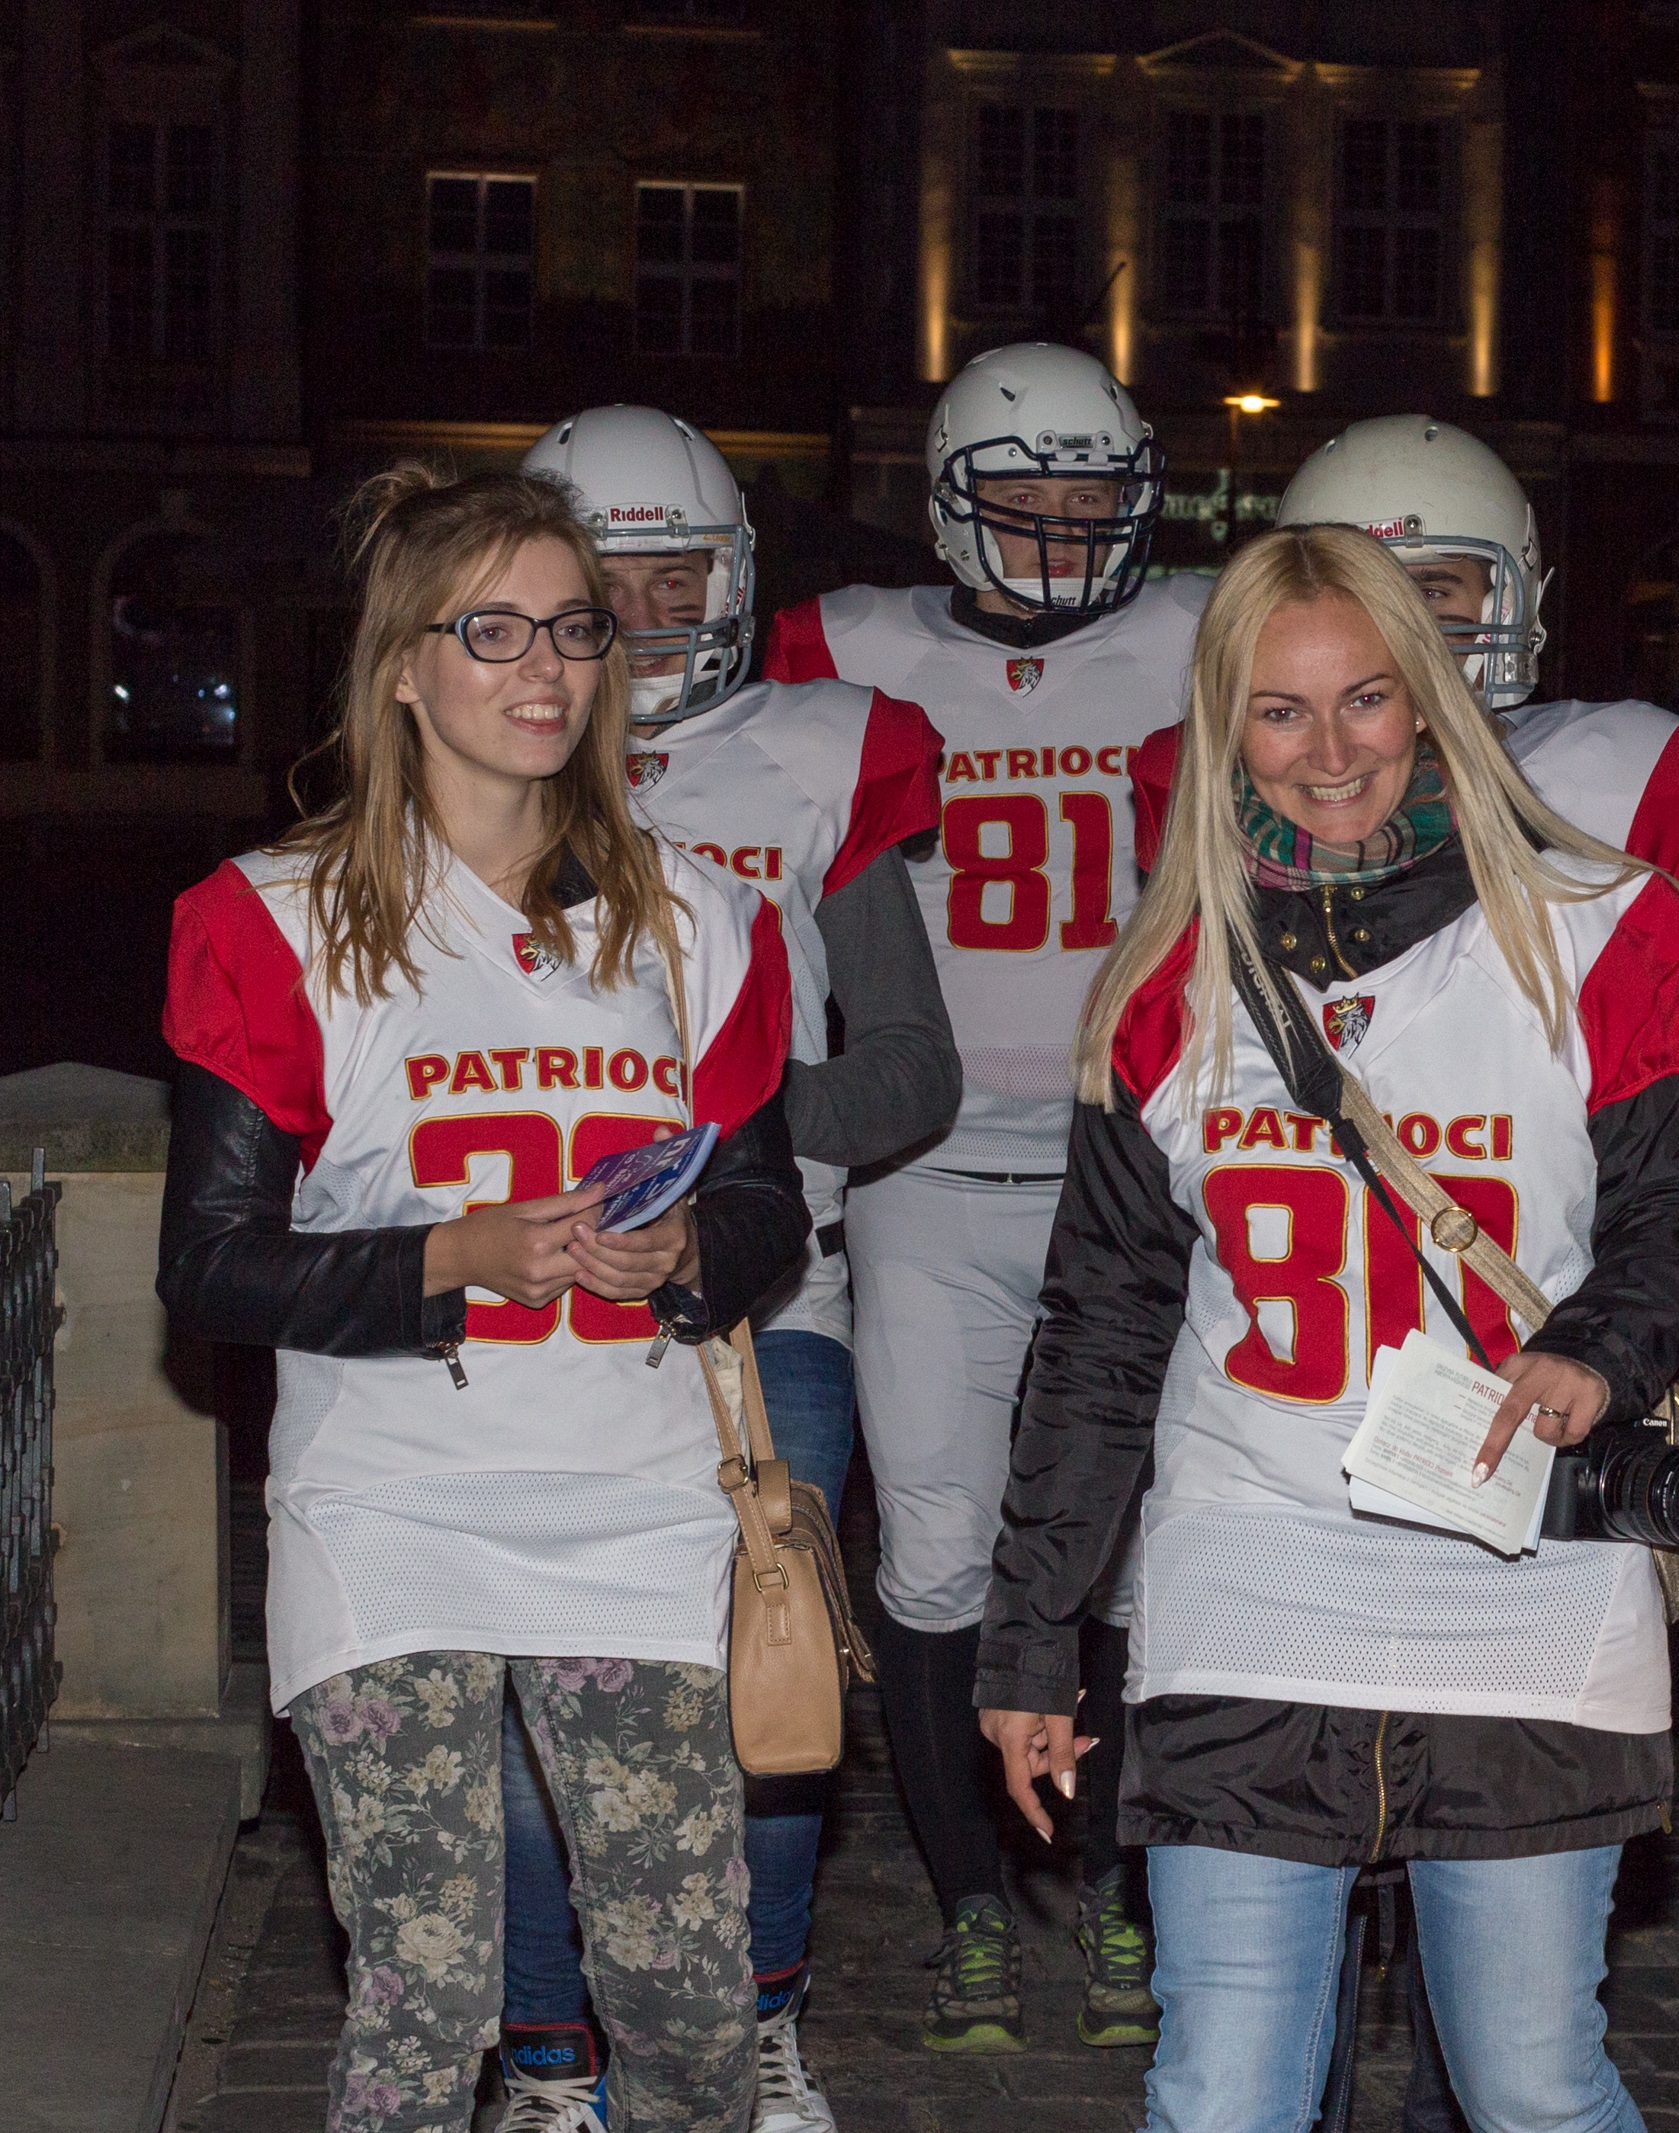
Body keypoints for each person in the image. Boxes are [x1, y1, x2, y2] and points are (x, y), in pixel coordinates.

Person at [973, 524, 1679, 2133]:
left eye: (1369, 701)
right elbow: (1101, 1329)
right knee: (1224, 2095)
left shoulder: (1606, 923)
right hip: (1252, 1566)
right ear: (1219, 729)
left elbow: (1675, 1213)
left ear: (1434, 695)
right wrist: (1032, 1635)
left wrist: (1600, 1350)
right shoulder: (1169, 979)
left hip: (1522, 1565)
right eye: (1279, 712)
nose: (1330, 753)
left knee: (1532, 2085)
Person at [156, 464, 811, 2133]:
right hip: (391, 1505)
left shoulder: (699, 920)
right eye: (494, 628)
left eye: (574, 628)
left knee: (679, 1987)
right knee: (426, 1989)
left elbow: (766, 1212)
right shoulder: (272, 922)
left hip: (639, 1501)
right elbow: (212, 1264)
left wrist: (685, 1259)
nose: (545, 669)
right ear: (402, 662)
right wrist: (453, 1254)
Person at [469, 407, 955, 2133]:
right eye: (613, 575)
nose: (654, 606)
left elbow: (910, 1068)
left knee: (771, 1697)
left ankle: (756, 2021)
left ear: (739, 576)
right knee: (543, 1713)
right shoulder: (469, 761)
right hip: (535, 1321)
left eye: (682, 567)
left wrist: (716, 1126)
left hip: (768, 1314)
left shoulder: (817, 753)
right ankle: (551, 2054)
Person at [764, 342, 1209, 2052]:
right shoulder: (850, 652)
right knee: (938, 1541)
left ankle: (1099, 1873)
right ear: (946, 500)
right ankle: (970, 1899)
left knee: (1124, 1545)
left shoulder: (1197, 633)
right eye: (1015, 502)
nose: (1051, 533)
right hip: (924, 1161)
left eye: (1086, 502)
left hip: (1138, 1156)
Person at [1132, 413, 1679, 1200]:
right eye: (1365, 599)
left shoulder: (1623, 779)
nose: (1403, 632)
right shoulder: (1248, 790)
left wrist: (1544, 1147)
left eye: (1433, 588)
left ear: (1512, 591)